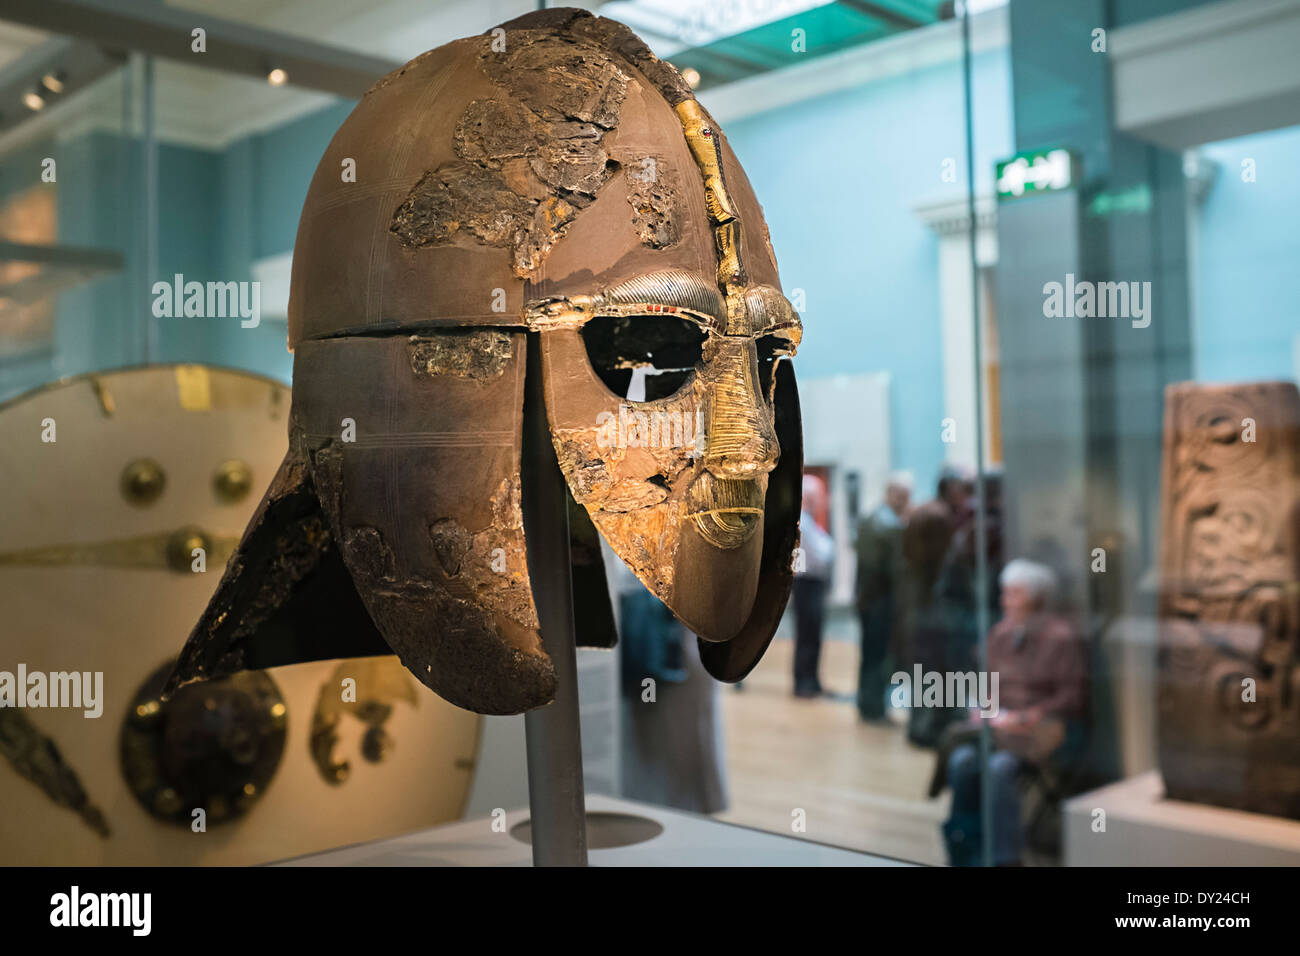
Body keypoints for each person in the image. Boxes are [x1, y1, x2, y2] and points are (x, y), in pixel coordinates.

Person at [940, 559, 1088, 866]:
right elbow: (983, 685)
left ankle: (1004, 858)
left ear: (1036, 599)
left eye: (1014, 595)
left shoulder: (1060, 636)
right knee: (961, 761)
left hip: (1037, 730)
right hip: (999, 728)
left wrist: (1033, 714)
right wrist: (981, 708)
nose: (1005, 602)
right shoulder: (999, 635)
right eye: (1005, 594)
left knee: (1000, 768)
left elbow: (1074, 696)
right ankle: (965, 847)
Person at [899, 465, 973, 745]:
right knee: (936, 671)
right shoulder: (938, 516)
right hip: (932, 608)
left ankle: (922, 727)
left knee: (925, 671)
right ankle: (928, 729)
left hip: (921, 606)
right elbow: (939, 567)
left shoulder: (925, 511)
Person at [854, 473, 911, 720]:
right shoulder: (889, 525)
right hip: (880, 601)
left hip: (869, 598)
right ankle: (873, 706)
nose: (903, 501)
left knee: (871, 654)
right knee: (877, 654)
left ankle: (869, 703)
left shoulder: (871, 518)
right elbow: (896, 568)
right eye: (900, 496)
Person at [792, 473, 834, 698]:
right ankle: (804, 682)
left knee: (813, 634)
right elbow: (822, 555)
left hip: (811, 583)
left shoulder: (809, 521)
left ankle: (812, 680)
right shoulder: (804, 522)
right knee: (807, 634)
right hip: (807, 583)